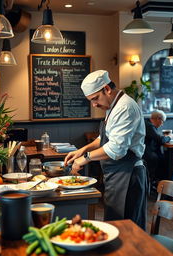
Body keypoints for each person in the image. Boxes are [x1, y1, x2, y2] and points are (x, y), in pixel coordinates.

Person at [64, 70, 147, 230]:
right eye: (91, 101)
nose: (94, 105)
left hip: (128, 175)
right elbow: (104, 139)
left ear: (107, 89)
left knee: (128, 230)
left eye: (95, 98)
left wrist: (86, 158)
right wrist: (82, 150)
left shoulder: (125, 107)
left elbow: (116, 149)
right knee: (115, 225)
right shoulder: (112, 106)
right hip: (116, 174)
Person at [143, 110, 172, 183]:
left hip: (145, 151)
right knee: (167, 159)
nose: (162, 124)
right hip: (147, 154)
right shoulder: (149, 126)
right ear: (158, 119)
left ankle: (162, 181)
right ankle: (164, 182)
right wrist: (169, 137)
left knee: (169, 157)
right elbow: (160, 140)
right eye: (162, 121)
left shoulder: (147, 123)